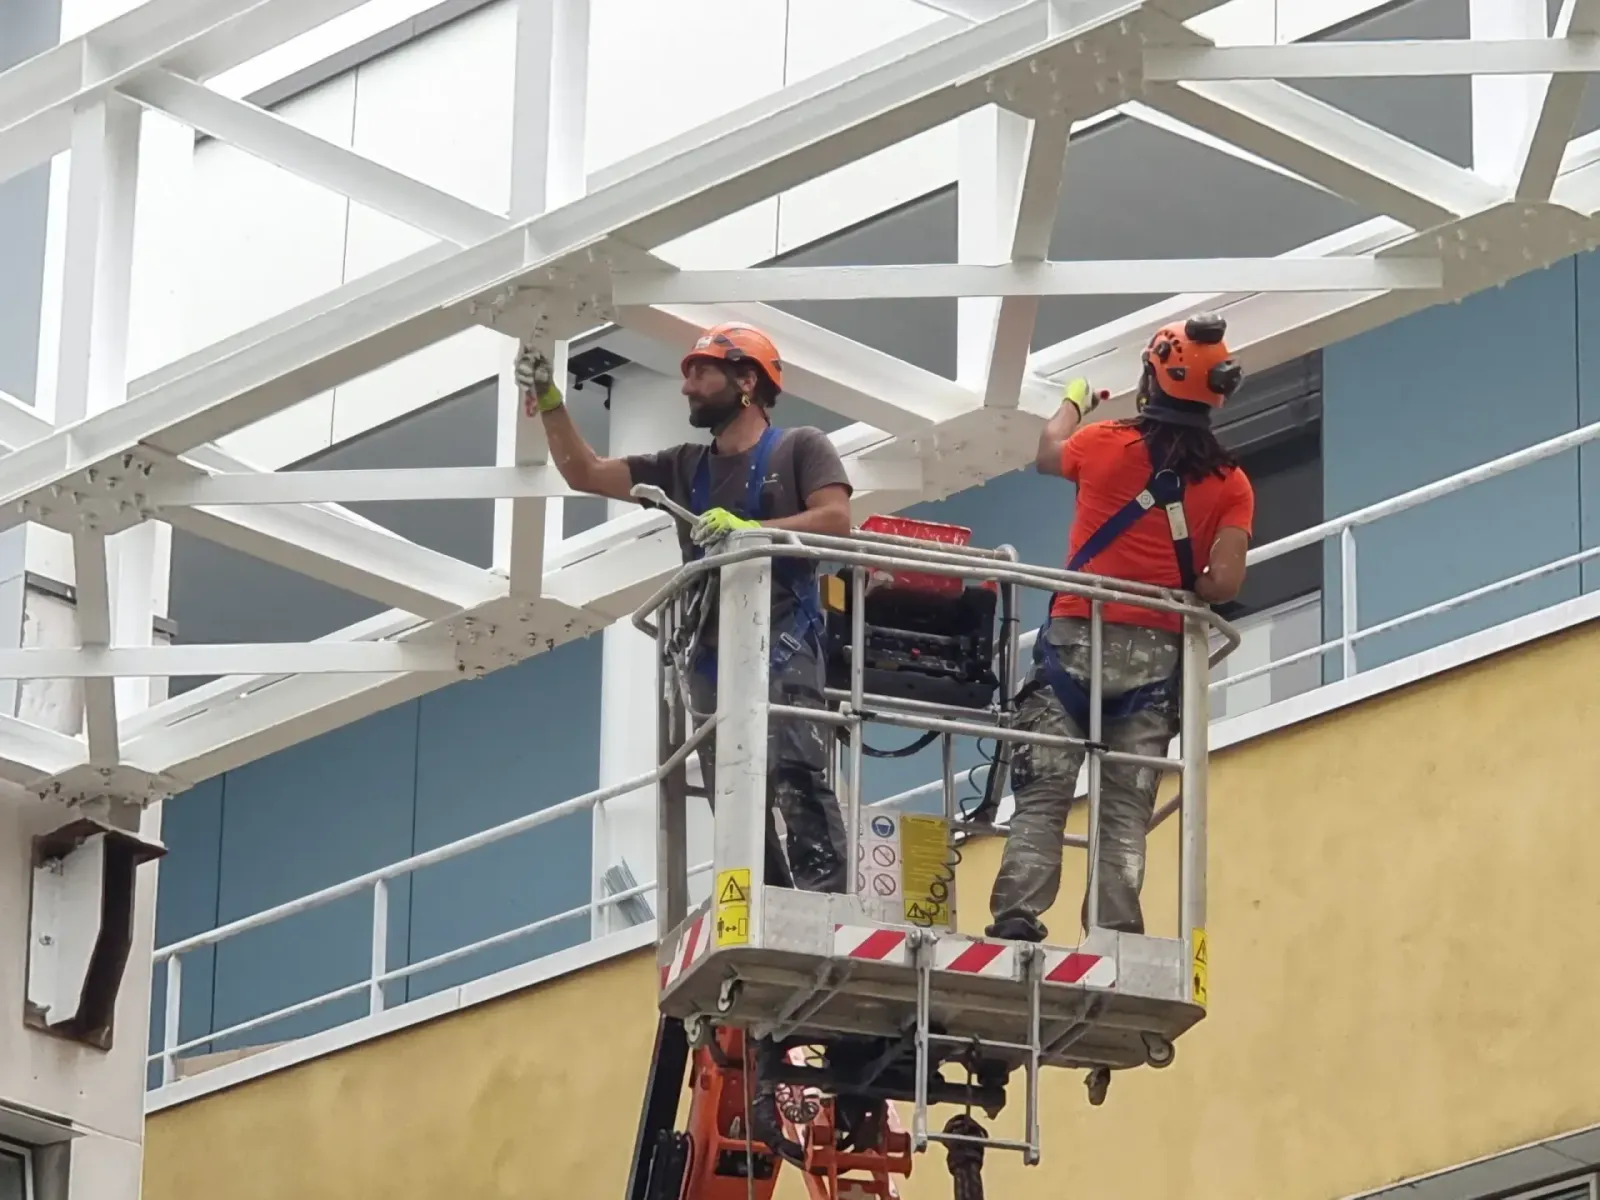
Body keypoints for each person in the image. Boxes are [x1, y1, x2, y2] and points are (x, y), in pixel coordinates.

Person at [515, 322, 851, 1164]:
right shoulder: (683, 469)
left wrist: (758, 532)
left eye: (701, 372)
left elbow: (839, 521)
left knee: (804, 804)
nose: (686, 383)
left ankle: (833, 954)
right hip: (710, 674)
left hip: (784, 656)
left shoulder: (798, 447)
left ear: (749, 382)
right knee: (742, 830)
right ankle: (779, 1002)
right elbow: (587, 472)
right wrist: (551, 403)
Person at [987, 312, 1254, 945]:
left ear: (1151, 380)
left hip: (1075, 642)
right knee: (1125, 808)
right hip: (1156, 659)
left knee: (1045, 792)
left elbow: (1048, 453)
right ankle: (1113, 930)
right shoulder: (1231, 483)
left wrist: (1072, 403)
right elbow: (1224, 584)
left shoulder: (1103, 443)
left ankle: (1019, 916)